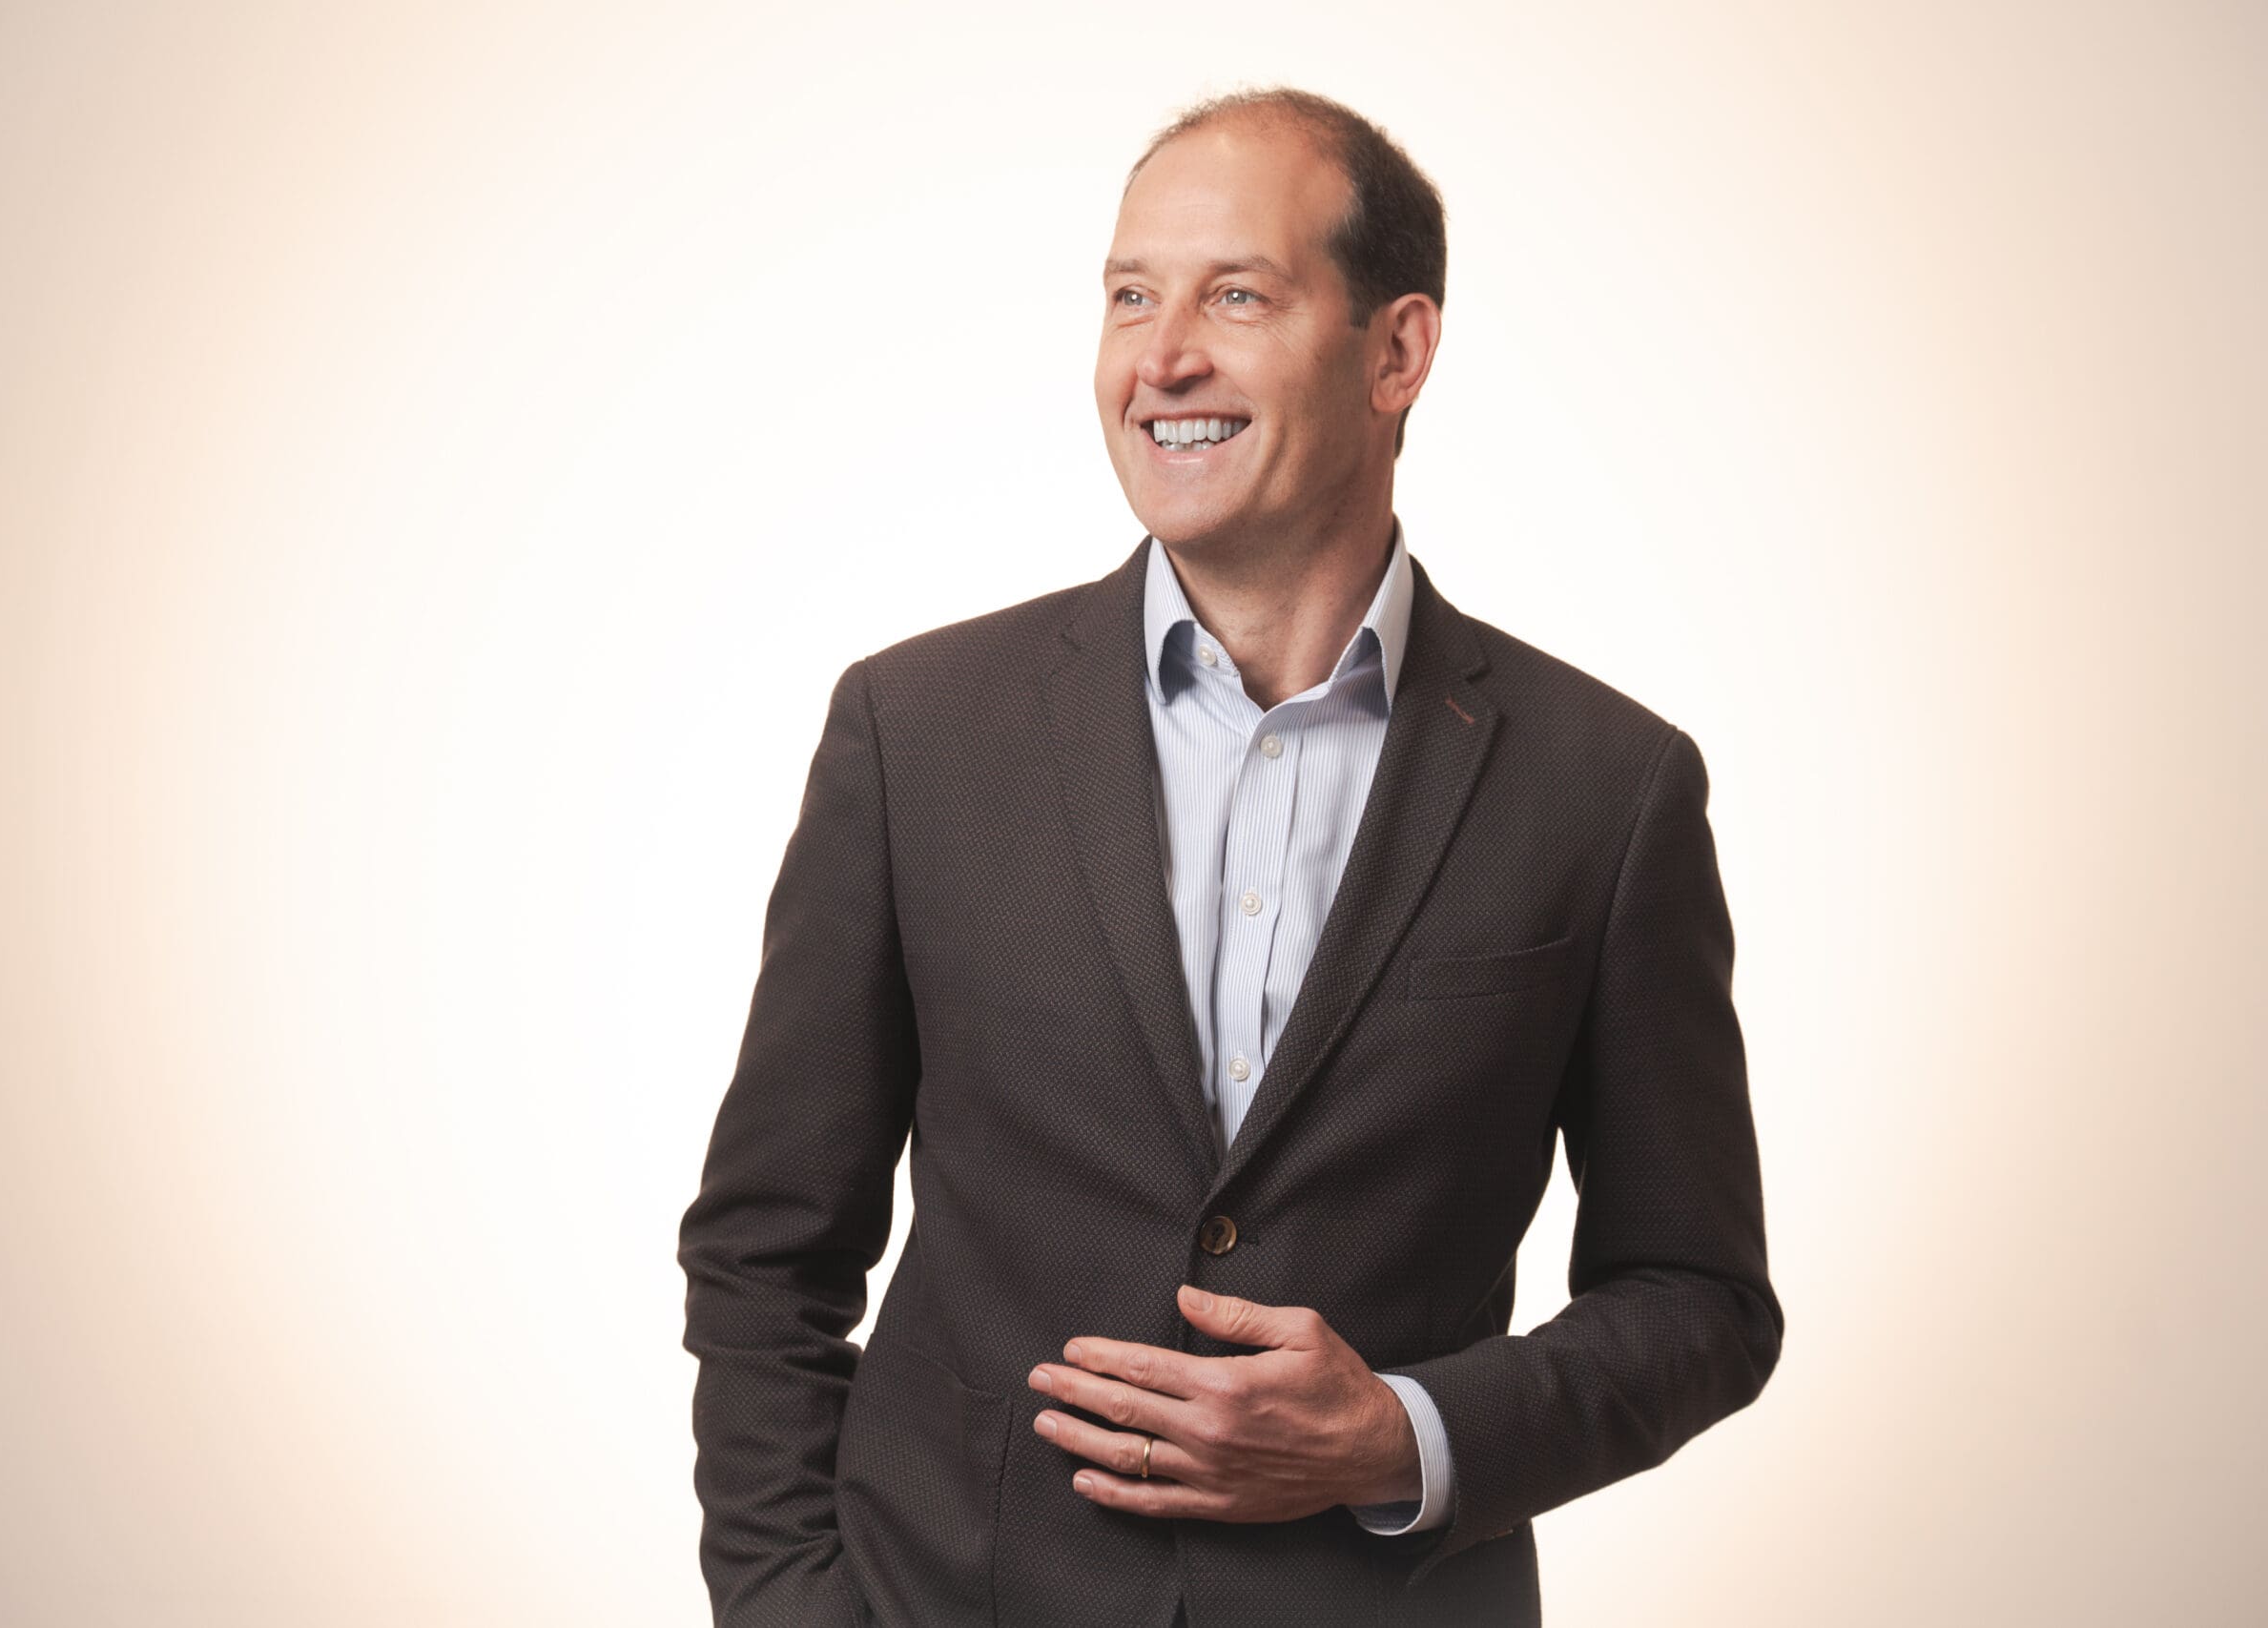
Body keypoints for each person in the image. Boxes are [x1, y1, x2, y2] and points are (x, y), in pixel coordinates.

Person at [676, 85, 1783, 1628]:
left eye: (1235, 295)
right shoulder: (914, 733)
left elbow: (1701, 1302)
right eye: (1131, 296)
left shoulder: (1608, 788)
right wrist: (799, 1610)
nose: (1161, 357)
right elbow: (762, 1257)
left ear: (1397, 351)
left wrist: (1403, 1435)